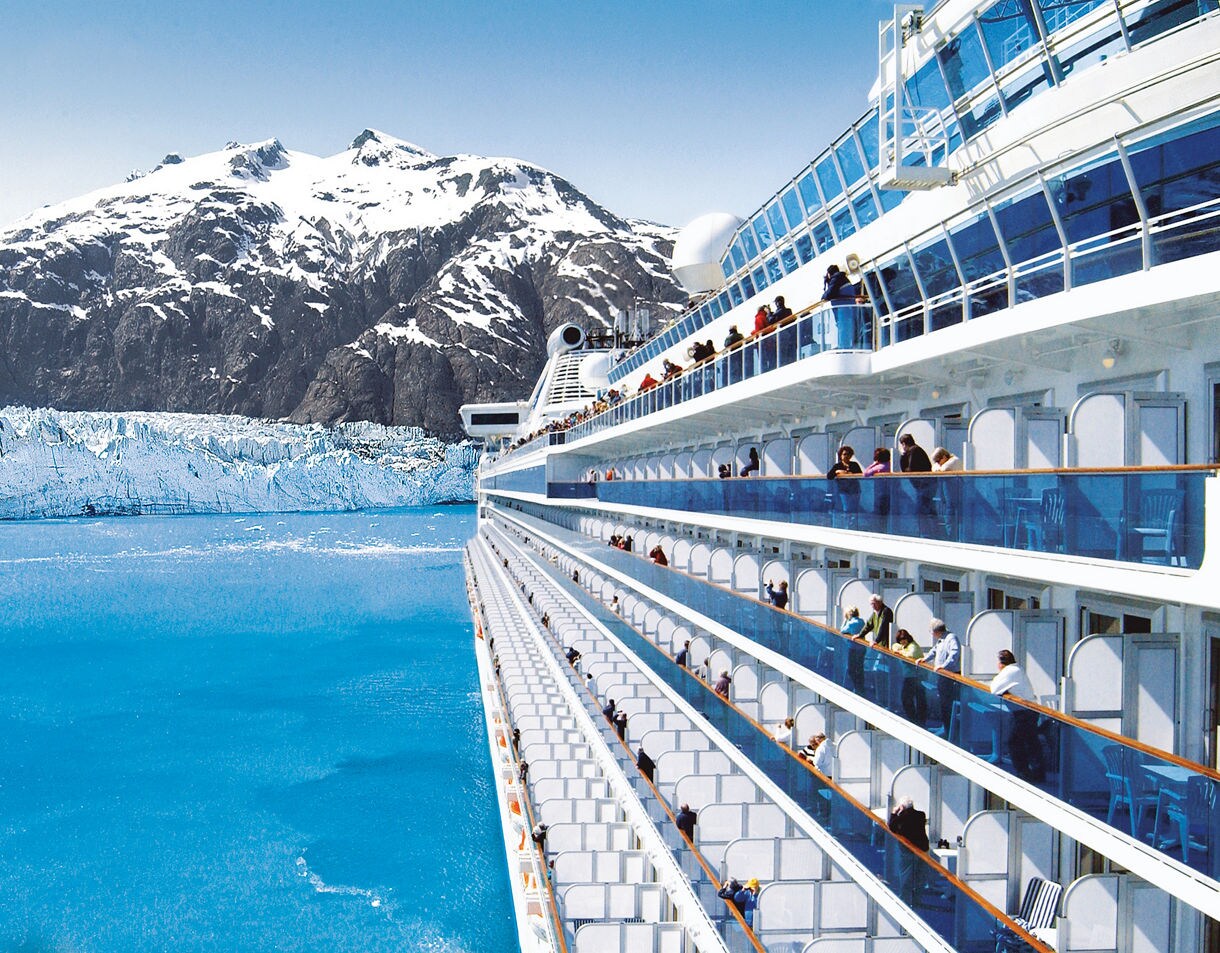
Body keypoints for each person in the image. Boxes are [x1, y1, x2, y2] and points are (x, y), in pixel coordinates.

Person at [991, 649, 1046, 782]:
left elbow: (994, 688)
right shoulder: (1017, 669)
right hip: (1027, 711)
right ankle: (1037, 773)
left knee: (1014, 742)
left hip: (1024, 712)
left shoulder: (1011, 671)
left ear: (1001, 663)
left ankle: (1024, 772)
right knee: (1030, 742)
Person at [888, 796, 929, 903]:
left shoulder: (903, 817)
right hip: (922, 849)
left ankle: (905, 899)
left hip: (908, 851)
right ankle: (917, 899)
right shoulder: (921, 815)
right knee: (919, 876)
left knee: (906, 875)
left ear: (902, 807)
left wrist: (894, 813)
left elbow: (892, 827)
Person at [928, 619, 961, 735]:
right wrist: (925, 659)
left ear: (936, 631)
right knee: (943, 703)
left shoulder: (951, 638)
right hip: (942, 675)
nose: (932, 634)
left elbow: (954, 654)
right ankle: (945, 726)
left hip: (950, 676)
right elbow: (934, 650)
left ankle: (949, 730)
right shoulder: (941, 639)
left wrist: (944, 666)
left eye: (932, 632)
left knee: (948, 704)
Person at [894, 629, 928, 726]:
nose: (902, 642)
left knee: (917, 699)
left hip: (917, 676)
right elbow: (894, 646)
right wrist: (900, 649)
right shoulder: (905, 646)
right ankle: (914, 719)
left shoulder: (913, 646)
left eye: (904, 640)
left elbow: (911, 655)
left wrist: (901, 652)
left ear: (908, 638)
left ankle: (918, 721)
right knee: (908, 699)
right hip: (910, 676)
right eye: (900, 641)